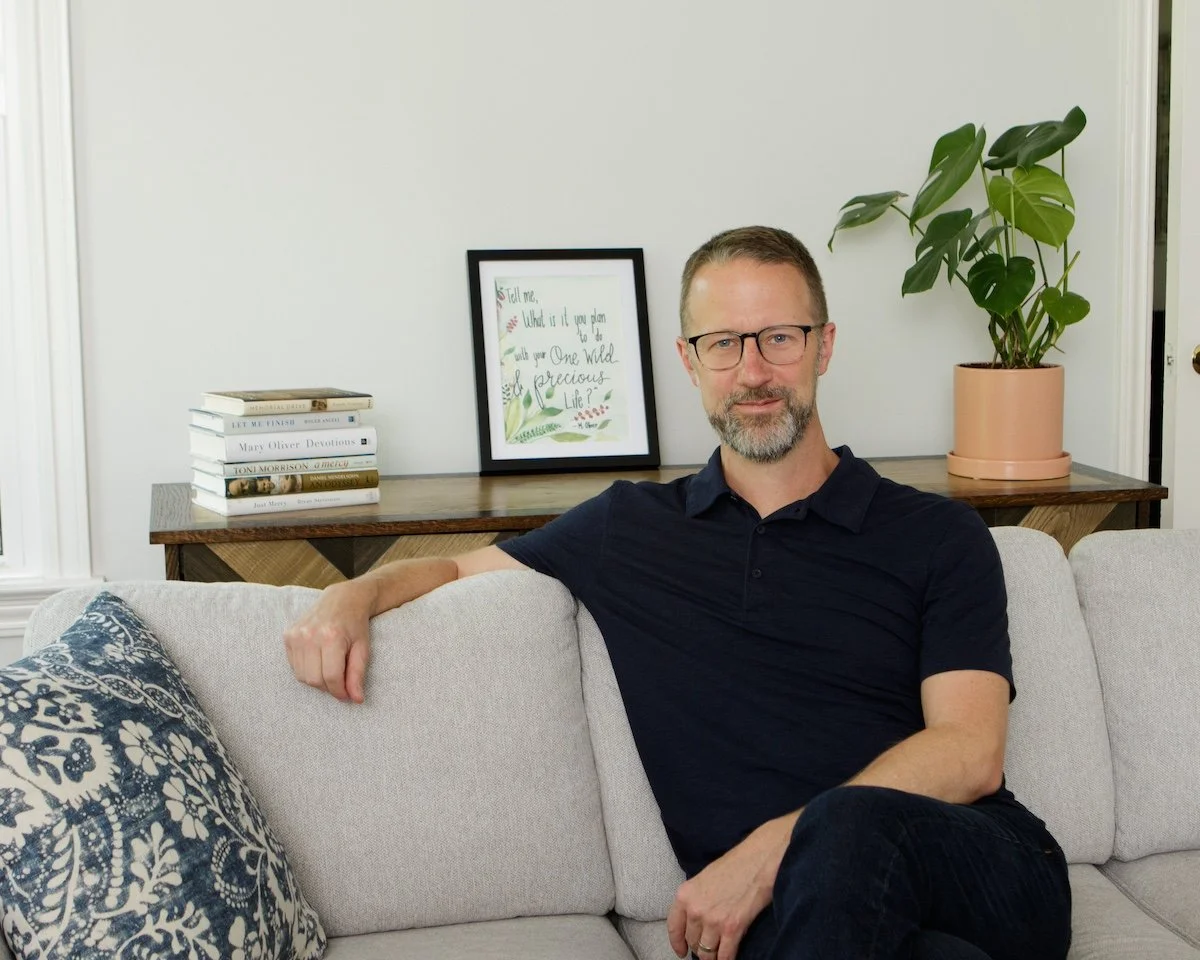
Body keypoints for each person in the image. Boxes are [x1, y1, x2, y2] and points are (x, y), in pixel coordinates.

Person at [284, 226, 1072, 960]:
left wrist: (769, 852)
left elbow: (971, 752)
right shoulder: (628, 528)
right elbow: (455, 571)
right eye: (723, 344)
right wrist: (352, 594)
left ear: (823, 347)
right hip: (792, 926)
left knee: (847, 827)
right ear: (689, 361)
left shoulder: (936, 534)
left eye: (779, 338)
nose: (753, 371)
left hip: (984, 866)